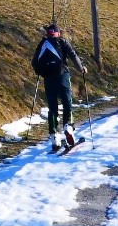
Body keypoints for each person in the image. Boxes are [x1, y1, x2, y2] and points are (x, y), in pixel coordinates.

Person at [31, 23, 86, 153]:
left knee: (52, 107)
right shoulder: (62, 42)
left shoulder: (42, 43)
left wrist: (40, 72)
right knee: (67, 103)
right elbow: (73, 55)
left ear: (48, 34)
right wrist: (81, 69)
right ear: (58, 33)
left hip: (48, 78)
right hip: (63, 76)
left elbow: (34, 62)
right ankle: (68, 126)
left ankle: (54, 136)